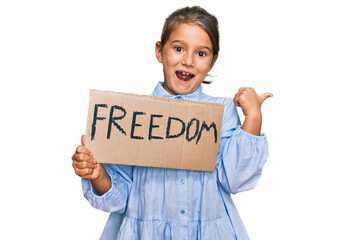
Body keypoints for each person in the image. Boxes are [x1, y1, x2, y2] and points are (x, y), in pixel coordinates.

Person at [72, 6, 272, 240]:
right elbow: (119, 199)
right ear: (160, 51)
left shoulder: (222, 112)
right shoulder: (133, 116)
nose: (188, 61)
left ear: (213, 61)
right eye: (178, 48)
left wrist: (253, 118)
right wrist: (98, 176)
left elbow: (235, 180)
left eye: (201, 53)